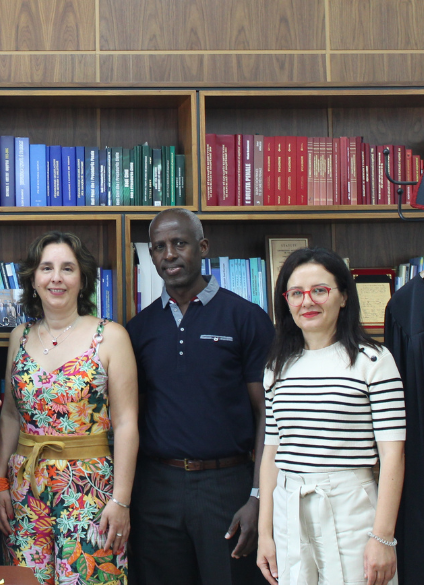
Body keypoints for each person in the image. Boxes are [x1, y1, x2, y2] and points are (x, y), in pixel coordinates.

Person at [126, 208, 273, 585]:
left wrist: (257, 497)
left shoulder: (246, 318)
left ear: (203, 247)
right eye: (159, 247)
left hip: (227, 487)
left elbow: (267, 415)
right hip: (157, 490)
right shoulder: (138, 330)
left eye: (179, 243)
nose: (169, 254)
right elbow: (129, 417)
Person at [0, 231, 138, 584]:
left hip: (91, 492)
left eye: (67, 268)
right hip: (25, 491)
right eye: (47, 268)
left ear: (83, 279)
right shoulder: (20, 337)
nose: (56, 278)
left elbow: (127, 423)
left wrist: (121, 501)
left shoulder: (110, 336)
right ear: (33, 279)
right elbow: (11, 414)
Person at [256, 248, 405, 585]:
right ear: (286, 302)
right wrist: (266, 533)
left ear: (343, 297)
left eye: (319, 290)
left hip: (352, 508)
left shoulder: (374, 361)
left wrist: (382, 538)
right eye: (296, 293)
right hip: (289, 508)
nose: (307, 302)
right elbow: (272, 454)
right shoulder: (276, 367)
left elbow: (393, 454)